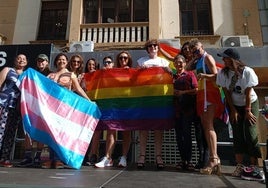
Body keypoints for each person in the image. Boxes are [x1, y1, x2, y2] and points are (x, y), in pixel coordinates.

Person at [216, 48, 264, 181]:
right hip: (234, 105)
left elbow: (248, 92)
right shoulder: (222, 73)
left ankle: (255, 167)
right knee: (237, 133)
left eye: (225, 58)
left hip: (250, 103)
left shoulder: (247, 72)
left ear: (232, 59)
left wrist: (248, 110)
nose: (223, 60)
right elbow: (226, 93)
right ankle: (240, 165)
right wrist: (233, 110)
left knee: (250, 131)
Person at [42, 53, 90, 169]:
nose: (61, 61)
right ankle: (51, 159)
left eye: (63, 60)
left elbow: (78, 89)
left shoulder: (71, 74)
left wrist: (89, 101)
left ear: (66, 62)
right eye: (59, 59)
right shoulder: (50, 75)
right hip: (51, 108)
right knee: (51, 133)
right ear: (56, 62)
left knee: (61, 134)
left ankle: (58, 159)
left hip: (64, 109)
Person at [189, 39, 224, 175]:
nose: (196, 52)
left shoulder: (208, 57)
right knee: (205, 125)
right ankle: (215, 158)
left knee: (208, 125)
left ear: (202, 47)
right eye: (194, 51)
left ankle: (214, 159)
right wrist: (194, 57)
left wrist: (204, 76)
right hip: (202, 94)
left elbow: (216, 77)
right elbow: (186, 68)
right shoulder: (198, 60)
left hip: (209, 93)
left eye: (197, 50)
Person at [136, 39, 171, 169]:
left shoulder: (164, 61)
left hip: (159, 99)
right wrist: (140, 70)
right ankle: (142, 155)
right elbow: (135, 78)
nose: (152, 47)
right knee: (143, 128)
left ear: (158, 47)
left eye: (155, 45)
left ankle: (158, 156)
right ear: (147, 48)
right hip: (145, 98)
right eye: (150, 46)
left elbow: (170, 76)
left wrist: (168, 71)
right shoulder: (141, 61)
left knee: (158, 128)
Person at [95, 51, 133, 168]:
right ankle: (108, 157)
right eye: (121, 58)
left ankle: (124, 157)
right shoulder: (112, 72)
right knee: (111, 129)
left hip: (127, 104)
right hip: (114, 104)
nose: (123, 60)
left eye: (125, 58)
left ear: (129, 60)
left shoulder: (133, 72)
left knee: (126, 131)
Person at [18, 54, 52, 167]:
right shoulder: (30, 73)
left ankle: (37, 157)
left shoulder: (51, 74)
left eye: (43, 61)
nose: (41, 63)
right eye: (39, 61)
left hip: (43, 108)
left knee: (41, 131)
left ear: (47, 62)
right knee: (27, 130)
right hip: (31, 106)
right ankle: (28, 157)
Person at [180, 42, 209, 169]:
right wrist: (193, 58)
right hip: (188, 106)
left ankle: (204, 160)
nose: (187, 51)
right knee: (188, 134)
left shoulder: (204, 59)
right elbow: (186, 68)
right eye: (185, 49)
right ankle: (190, 161)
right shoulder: (194, 62)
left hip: (201, 100)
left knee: (201, 134)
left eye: (190, 49)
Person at [0, 54, 28, 167]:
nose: (21, 60)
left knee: (10, 134)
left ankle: (4, 158)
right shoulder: (7, 69)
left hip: (16, 108)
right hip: (3, 104)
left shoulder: (26, 76)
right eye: (19, 58)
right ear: (15, 60)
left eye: (24, 59)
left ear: (26, 63)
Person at [173, 54, 198, 170]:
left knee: (187, 136)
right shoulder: (171, 77)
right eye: (176, 62)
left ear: (184, 63)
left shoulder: (190, 74)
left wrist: (182, 93)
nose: (179, 64)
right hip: (176, 111)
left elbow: (196, 89)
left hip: (187, 110)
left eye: (181, 62)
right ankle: (182, 160)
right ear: (174, 64)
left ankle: (189, 160)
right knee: (179, 137)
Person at [83, 58, 100, 166]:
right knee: (85, 132)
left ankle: (93, 155)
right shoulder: (83, 76)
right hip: (85, 106)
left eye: (93, 64)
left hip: (96, 105)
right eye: (89, 64)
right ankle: (84, 155)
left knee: (96, 132)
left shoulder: (99, 76)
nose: (91, 66)